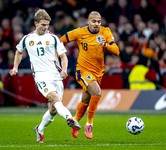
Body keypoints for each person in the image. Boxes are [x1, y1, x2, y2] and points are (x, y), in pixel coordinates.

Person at [9, 9, 81, 143]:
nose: (45, 27)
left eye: (47, 24)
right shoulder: (27, 39)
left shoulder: (53, 38)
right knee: (54, 97)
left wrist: (64, 70)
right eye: (43, 24)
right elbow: (19, 52)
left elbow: (64, 56)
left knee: (53, 110)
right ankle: (70, 119)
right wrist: (15, 67)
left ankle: (40, 129)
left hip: (56, 75)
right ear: (35, 23)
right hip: (40, 76)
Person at [60, 11, 119, 139]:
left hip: (98, 72)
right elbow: (60, 41)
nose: (96, 24)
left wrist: (106, 45)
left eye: (98, 21)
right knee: (97, 92)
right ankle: (89, 124)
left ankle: (75, 122)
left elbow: (116, 51)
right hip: (83, 70)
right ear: (88, 21)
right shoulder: (79, 32)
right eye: (94, 21)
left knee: (86, 100)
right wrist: (58, 56)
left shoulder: (105, 32)